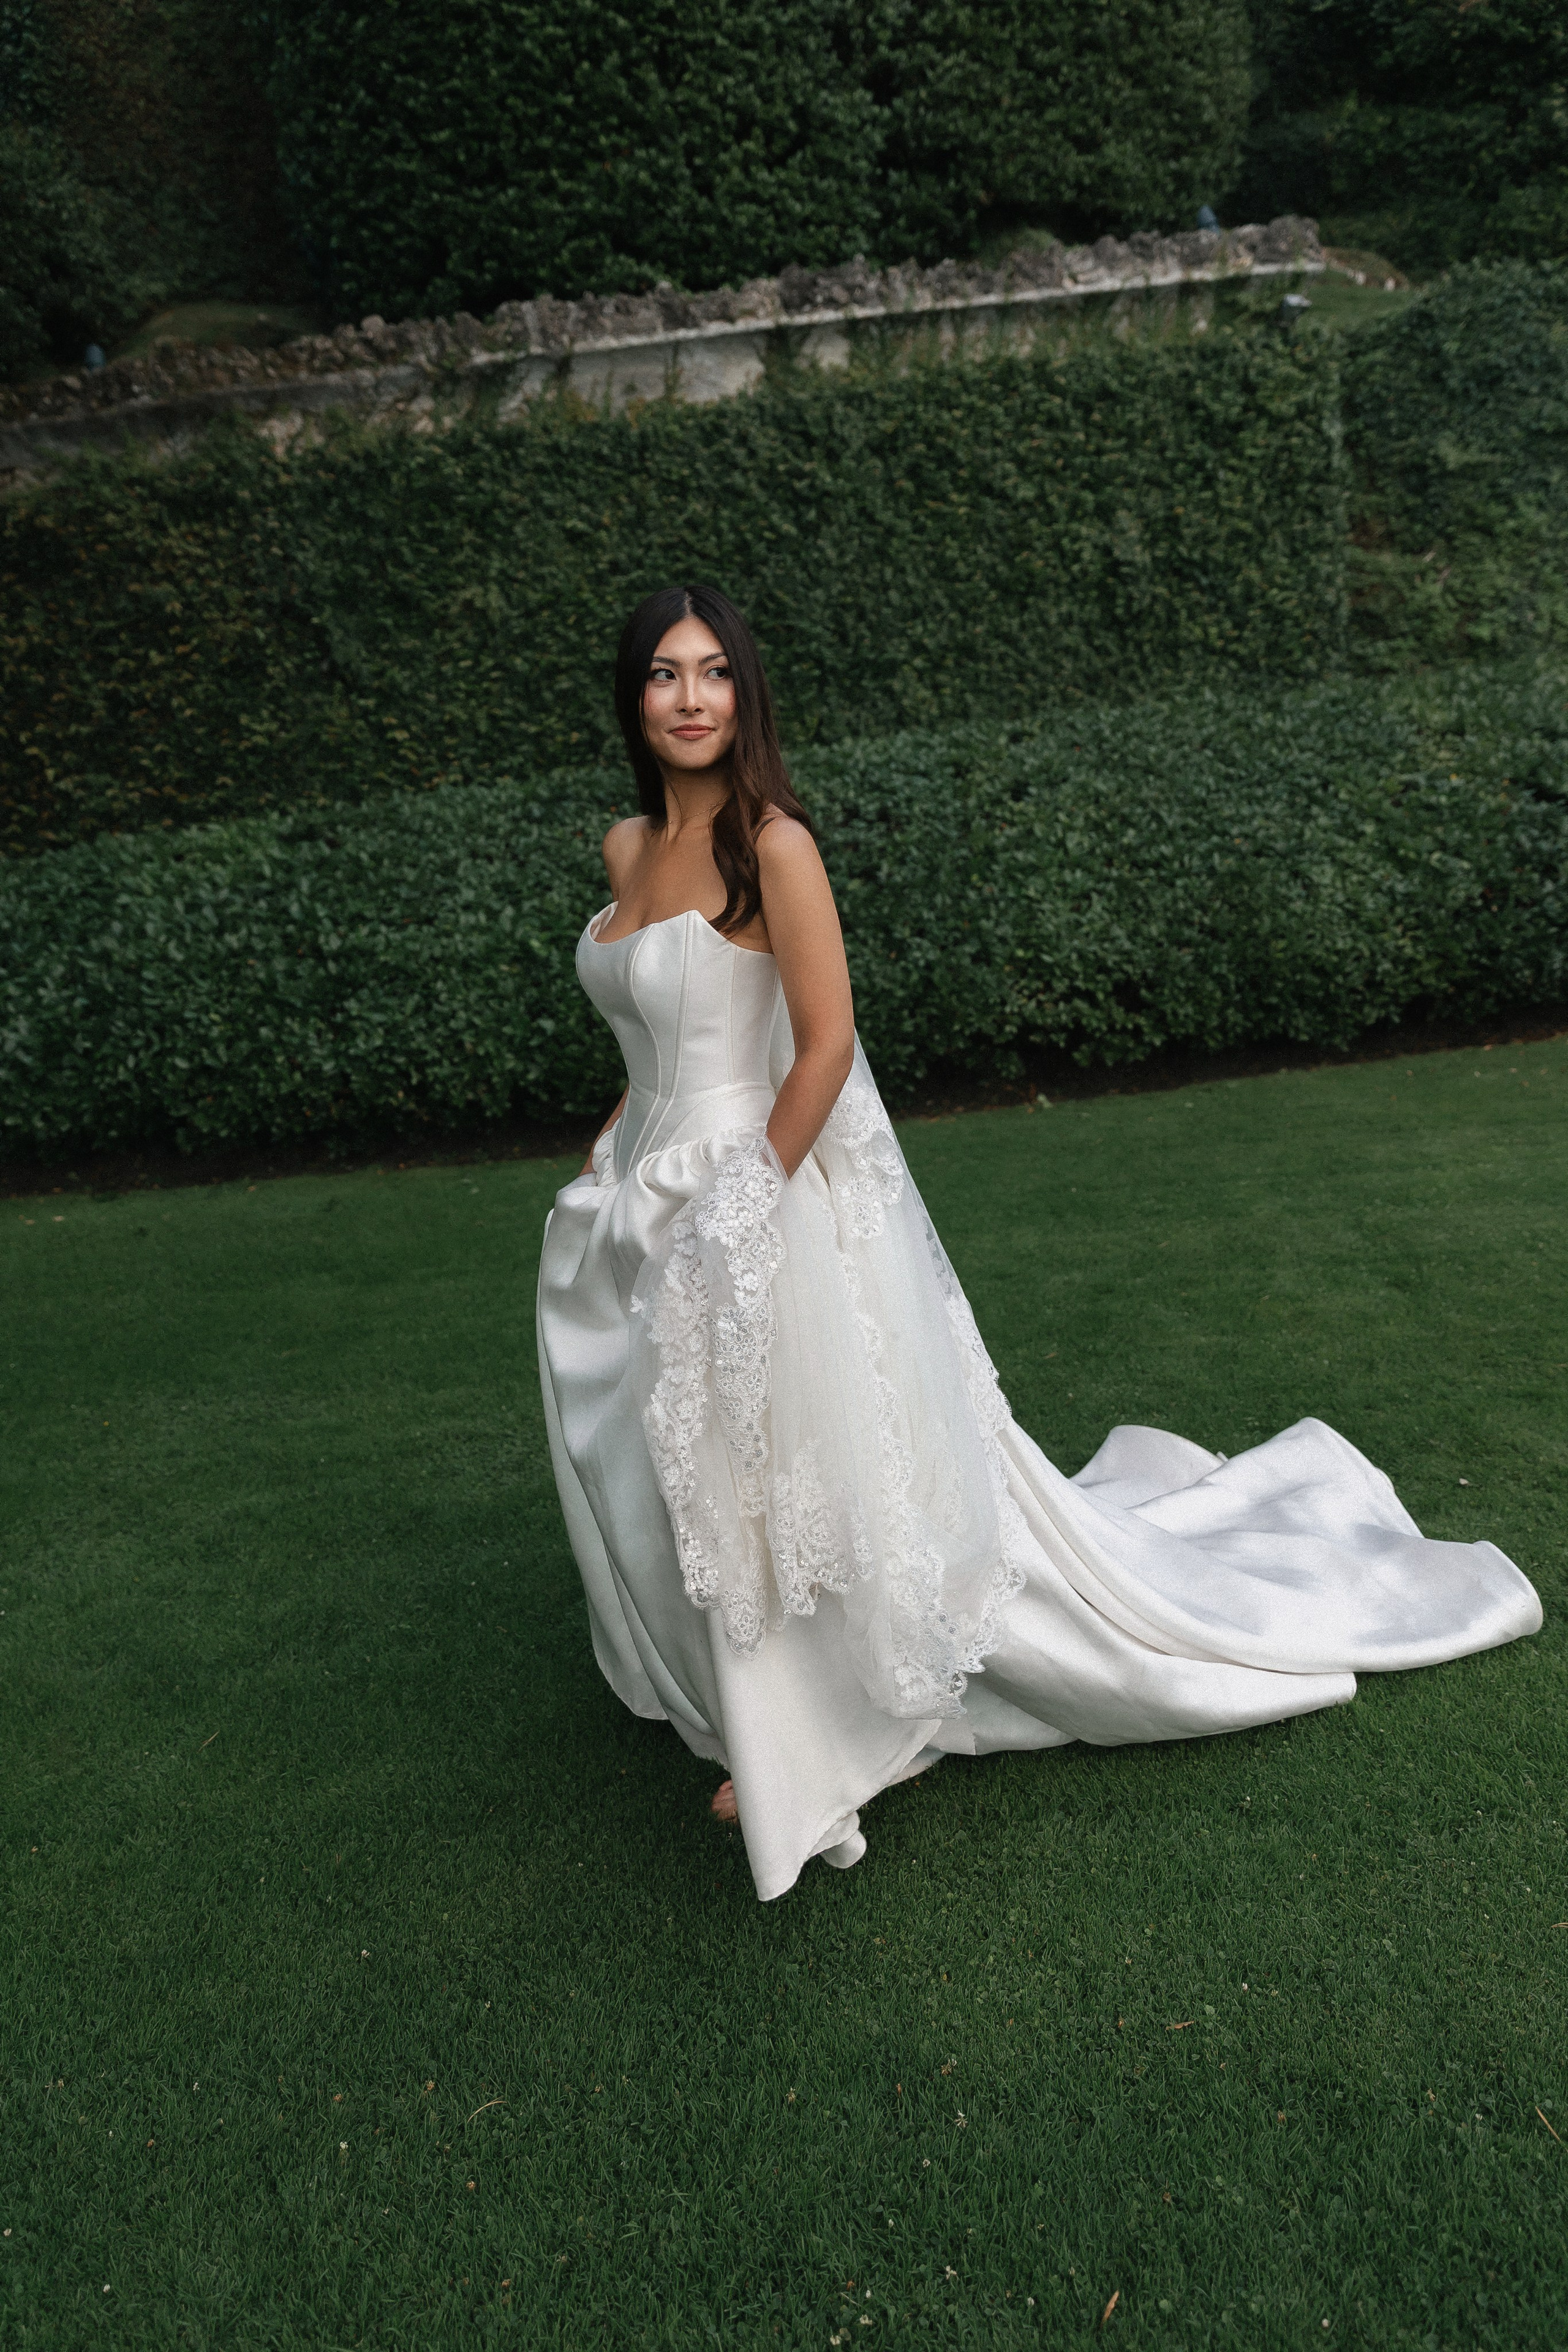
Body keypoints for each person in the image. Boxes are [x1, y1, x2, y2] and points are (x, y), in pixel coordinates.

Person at [535, 584, 1542, 1903]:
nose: (689, 697)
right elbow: (649, 1036)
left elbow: (823, 1046)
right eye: (664, 674)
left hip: (749, 1186)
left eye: (714, 672)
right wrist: (610, 1146)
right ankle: (710, 1680)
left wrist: (740, 1210)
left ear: (745, 693)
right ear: (633, 697)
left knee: (775, 1478)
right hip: (632, 1200)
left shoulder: (771, 846)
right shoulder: (625, 848)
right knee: (679, 1469)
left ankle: (812, 1734)